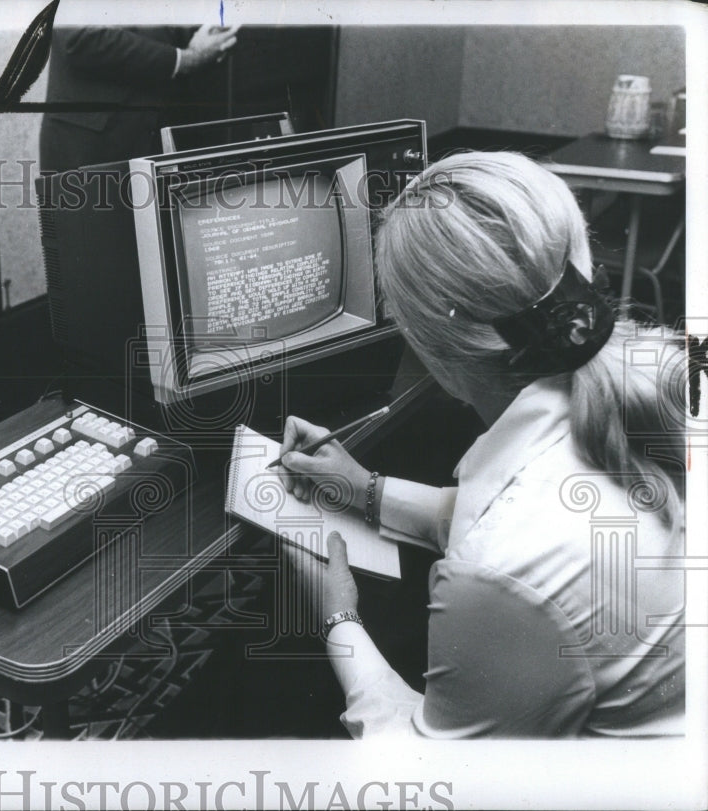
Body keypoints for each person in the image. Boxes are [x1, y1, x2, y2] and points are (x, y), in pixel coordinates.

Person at [278, 151, 686, 738]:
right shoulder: (675, 373)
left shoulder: (498, 571)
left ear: (434, 354)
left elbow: (428, 785)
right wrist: (366, 490)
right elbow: (526, 517)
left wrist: (337, 616)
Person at [40, 24, 238, 171]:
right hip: (92, 149)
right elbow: (79, 39)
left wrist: (207, 37)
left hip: (157, 141)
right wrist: (185, 58)